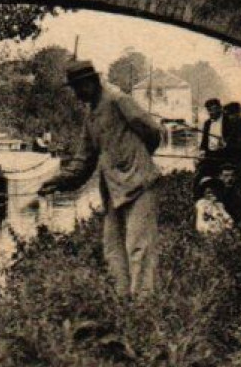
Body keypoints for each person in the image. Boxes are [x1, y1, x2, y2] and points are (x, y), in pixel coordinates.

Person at [38, 60, 163, 297]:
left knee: (139, 248)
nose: (76, 94)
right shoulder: (91, 116)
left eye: (78, 87)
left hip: (140, 184)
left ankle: (144, 306)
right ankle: (123, 301)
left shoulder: (118, 99)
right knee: (113, 249)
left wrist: (138, 158)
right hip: (113, 190)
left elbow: (152, 131)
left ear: (92, 82)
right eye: (73, 88)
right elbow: (84, 161)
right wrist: (58, 181)